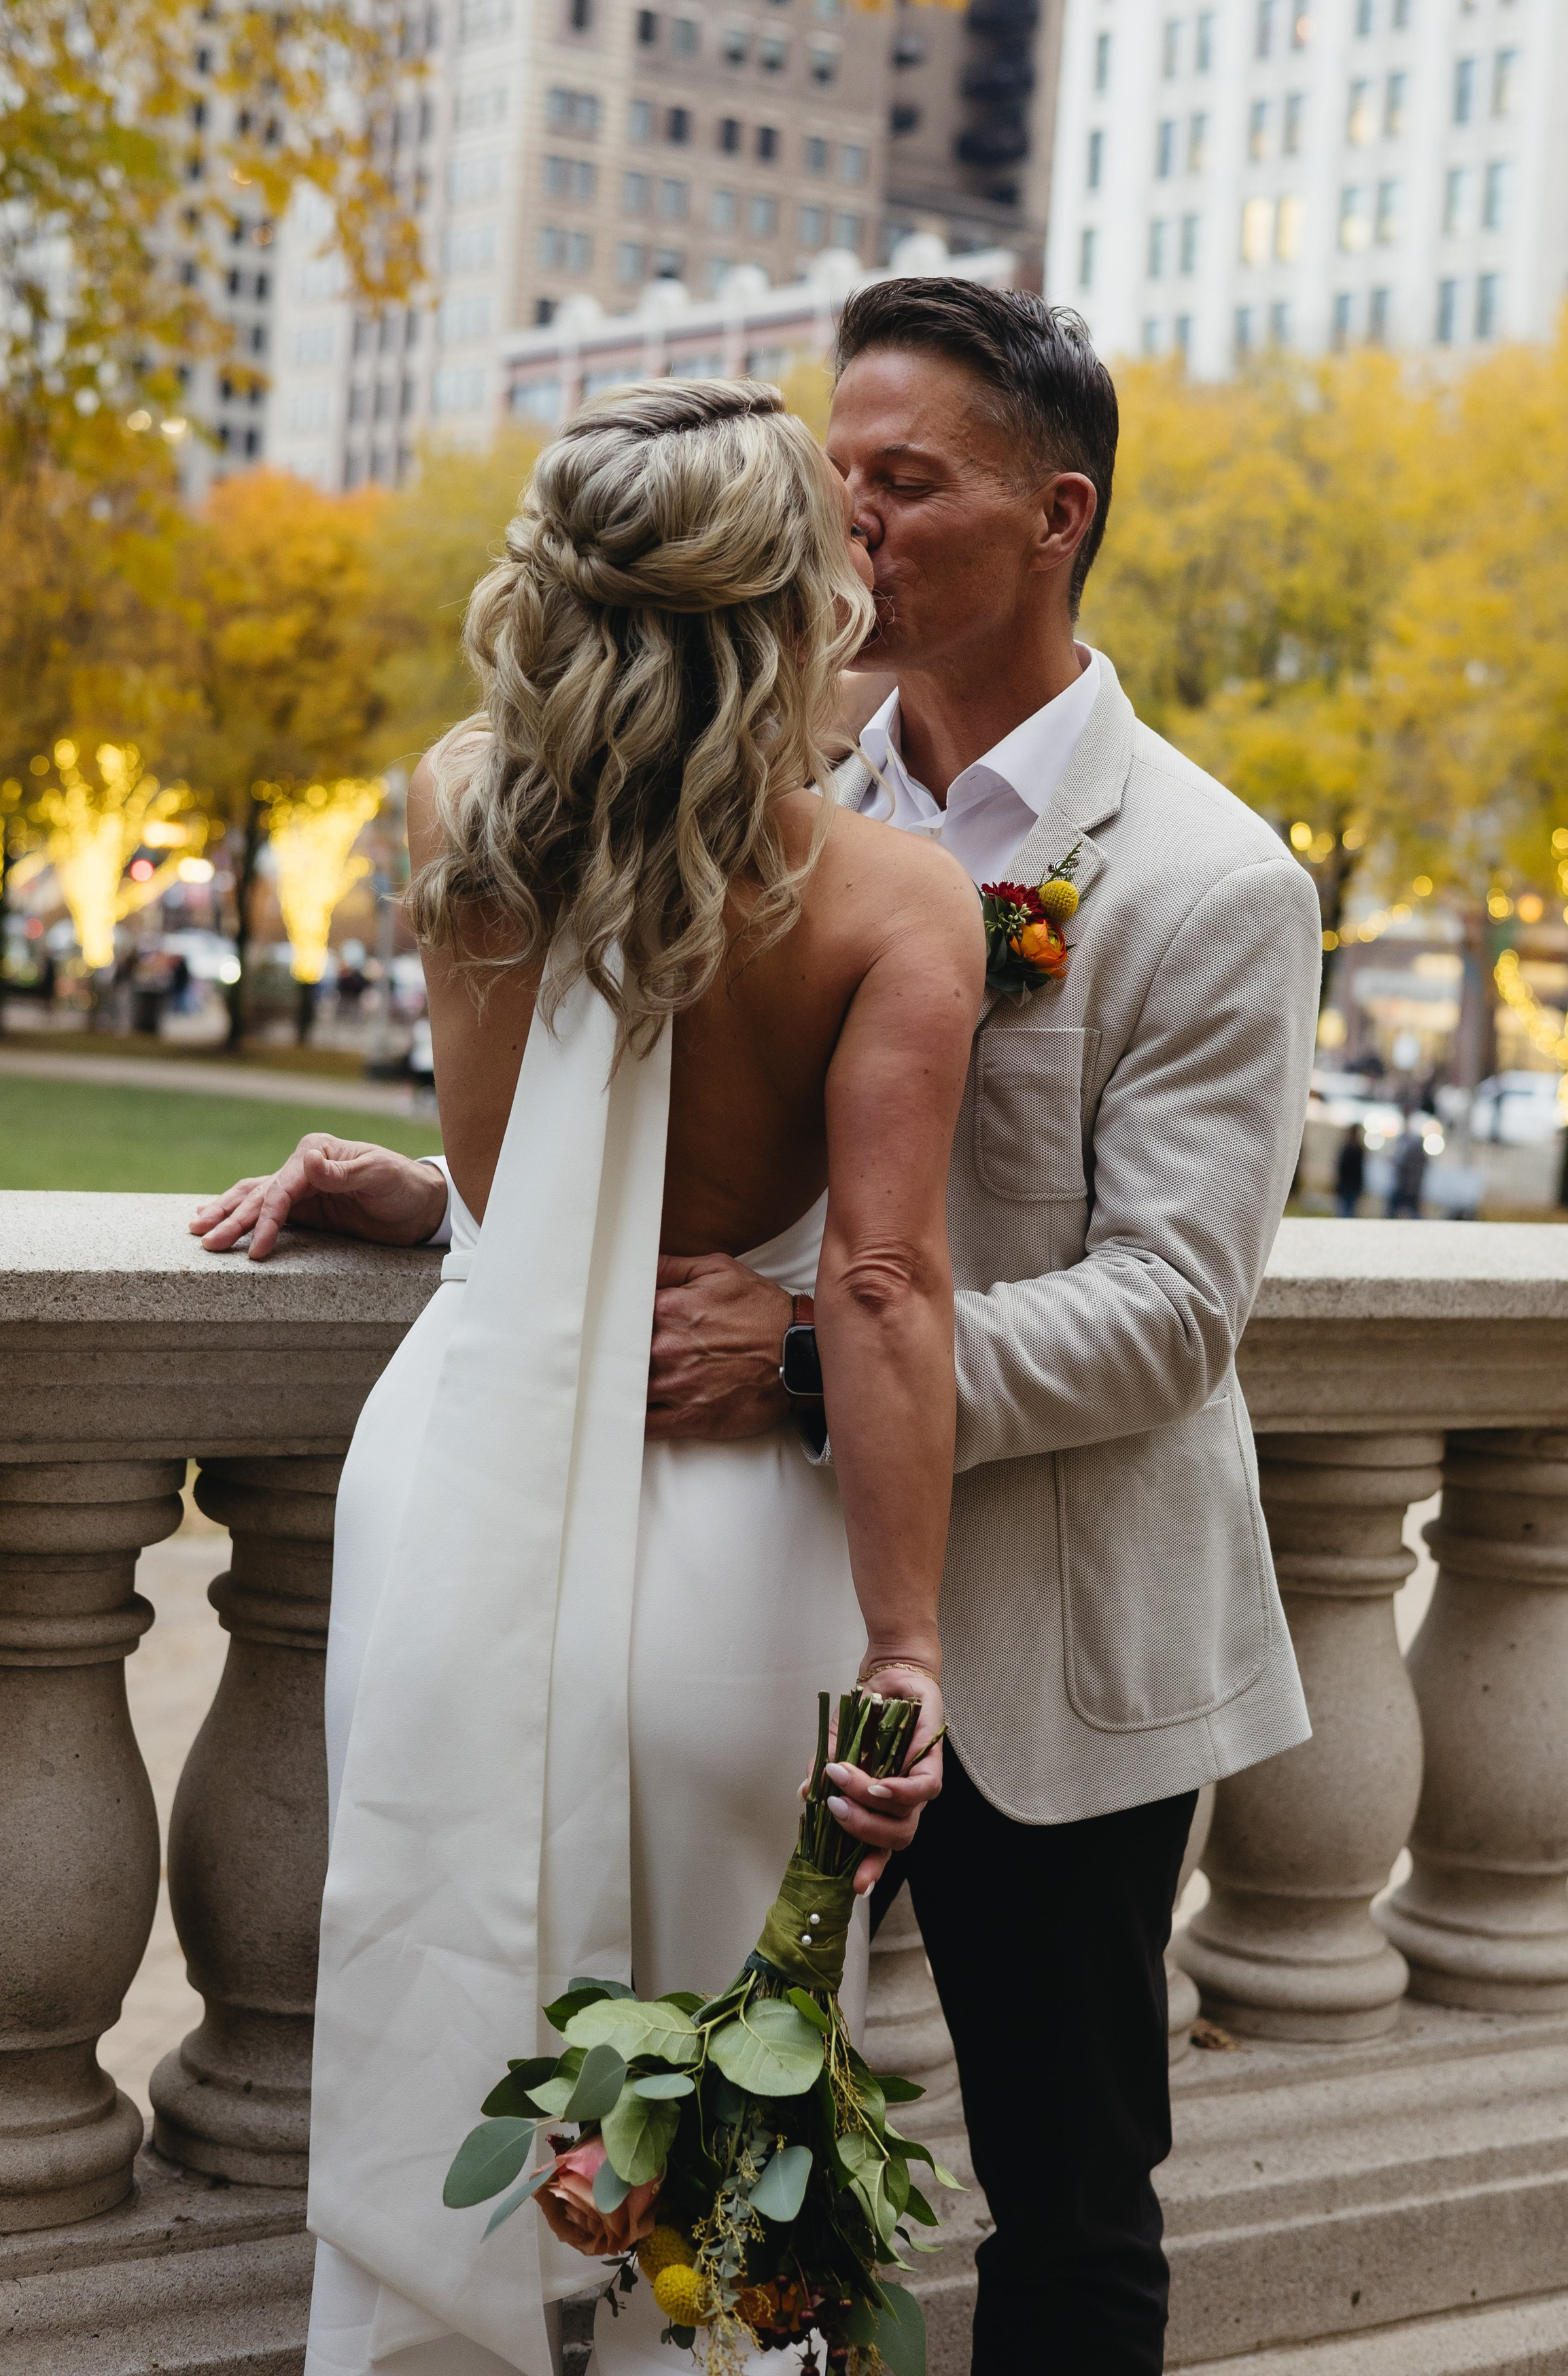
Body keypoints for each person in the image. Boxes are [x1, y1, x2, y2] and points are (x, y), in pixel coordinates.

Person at [196, 281, 1323, 2376]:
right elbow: (665, 1156)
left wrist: (802, 1353)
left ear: (1055, 513)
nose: (861, 526)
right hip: (758, 1587)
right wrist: (448, 1199)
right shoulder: (772, 786)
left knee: (1069, 2197)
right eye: (838, 483)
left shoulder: (1208, 877)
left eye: (908, 483)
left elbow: (1173, 1313)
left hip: (1050, 1631)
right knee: (693, 2154)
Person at [195, 378, 984, 2376]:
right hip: (729, 1544)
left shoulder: (460, 805)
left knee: (450, 2026)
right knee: (713, 2154)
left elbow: (502, 1181)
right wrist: (907, 1639)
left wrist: (415, 1195)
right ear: (794, 599)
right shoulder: (895, 902)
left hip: (465, 1486)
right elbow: (881, 1286)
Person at [1389, 1118, 1429, 1218]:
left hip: (1407, 1187)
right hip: (1414, 1187)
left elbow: (1403, 1170)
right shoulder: (1422, 1157)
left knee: (1395, 1210)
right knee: (1411, 1210)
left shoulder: (1410, 1156)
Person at [1335, 1122, 1367, 1218]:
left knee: (1346, 1212)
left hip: (1349, 1185)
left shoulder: (1350, 1149)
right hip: (1350, 1185)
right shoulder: (1355, 1149)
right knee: (1348, 1212)